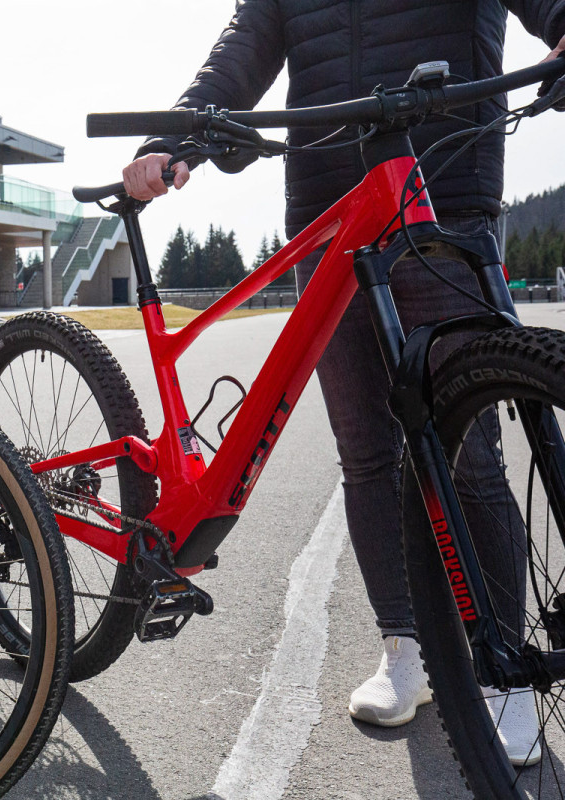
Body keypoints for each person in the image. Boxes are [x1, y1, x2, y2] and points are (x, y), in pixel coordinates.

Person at [122, 0, 565, 765]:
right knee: (365, 450)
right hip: (329, 206)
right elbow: (246, 46)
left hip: (442, 185)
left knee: (471, 451)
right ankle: (407, 647)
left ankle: (506, 668)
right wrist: (180, 130)